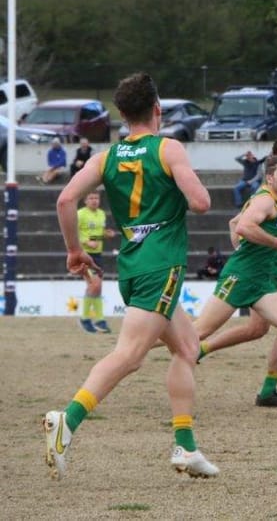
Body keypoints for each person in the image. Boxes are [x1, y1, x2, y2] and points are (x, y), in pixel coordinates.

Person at [47, 72, 218, 480]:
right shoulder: (168, 149)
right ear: (157, 109)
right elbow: (201, 203)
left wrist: (75, 250)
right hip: (161, 265)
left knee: (188, 347)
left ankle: (186, 447)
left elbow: (65, 198)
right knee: (130, 355)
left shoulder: (106, 158)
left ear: (122, 115)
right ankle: (66, 422)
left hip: (132, 265)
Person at [198, 135, 277, 413]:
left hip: (268, 271)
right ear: (272, 166)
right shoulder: (265, 197)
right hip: (247, 271)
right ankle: (145, 345)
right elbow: (240, 226)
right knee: (203, 333)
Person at [75, 191, 117, 334]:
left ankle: (99, 320)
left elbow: (98, 233)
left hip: (97, 255)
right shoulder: (80, 214)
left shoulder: (101, 214)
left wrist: (106, 234)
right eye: (91, 198)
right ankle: (85, 319)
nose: (94, 200)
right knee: (95, 285)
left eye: (96, 198)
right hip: (84, 255)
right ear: (85, 200)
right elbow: (72, 233)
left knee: (97, 288)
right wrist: (86, 241)